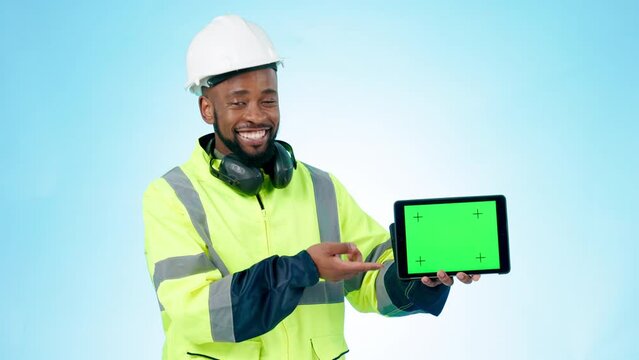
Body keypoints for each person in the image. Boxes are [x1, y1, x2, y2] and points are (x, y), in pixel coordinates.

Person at [143, 15, 480, 360]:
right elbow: (196, 315)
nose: (256, 116)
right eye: (238, 102)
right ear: (207, 108)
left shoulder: (321, 188)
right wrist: (303, 269)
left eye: (268, 100)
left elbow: (372, 276)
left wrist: (418, 279)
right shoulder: (173, 197)